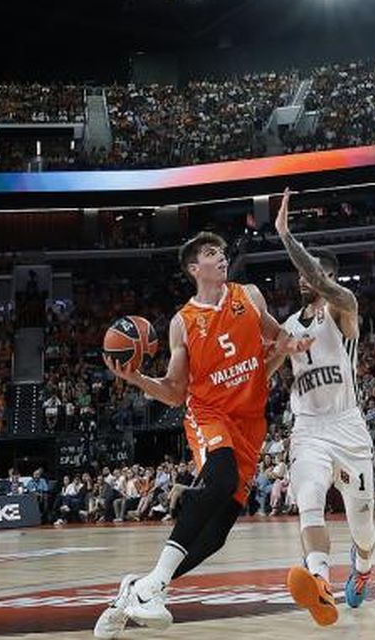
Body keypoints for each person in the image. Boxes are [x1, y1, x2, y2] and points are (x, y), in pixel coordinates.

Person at [96, 232, 309, 638]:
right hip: (208, 414)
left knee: (215, 536)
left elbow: (276, 336)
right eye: (212, 254)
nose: (222, 257)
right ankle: (153, 586)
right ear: (195, 268)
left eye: (223, 252)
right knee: (222, 476)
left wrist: (290, 345)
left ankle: (138, 590)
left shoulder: (249, 296)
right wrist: (137, 377)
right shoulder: (183, 323)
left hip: (251, 420)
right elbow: (176, 394)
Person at [272, 190, 375, 625]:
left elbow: (321, 280)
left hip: (348, 427)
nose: (304, 278)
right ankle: (319, 582)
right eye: (302, 273)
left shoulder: (343, 310)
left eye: (315, 273)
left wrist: (285, 235)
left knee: (362, 525)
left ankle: (364, 567)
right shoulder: (287, 327)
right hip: (308, 428)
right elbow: (273, 372)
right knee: (309, 498)